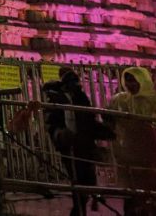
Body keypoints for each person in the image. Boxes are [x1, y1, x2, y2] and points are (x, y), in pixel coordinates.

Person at [45, 69, 111, 216]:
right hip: (70, 146)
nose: (76, 85)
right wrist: (60, 136)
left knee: (88, 179)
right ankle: (78, 210)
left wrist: (102, 131)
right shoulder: (58, 99)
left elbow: (88, 119)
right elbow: (52, 123)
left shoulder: (81, 97)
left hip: (85, 144)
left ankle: (83, 206)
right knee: (78, 180)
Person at [107, 67, 156, 215]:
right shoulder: (119, 99)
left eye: (133, 80)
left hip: (152, 153)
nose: (130, 84)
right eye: (127, 80)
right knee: (131, 196)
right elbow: (109, 120)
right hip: (128, 153)